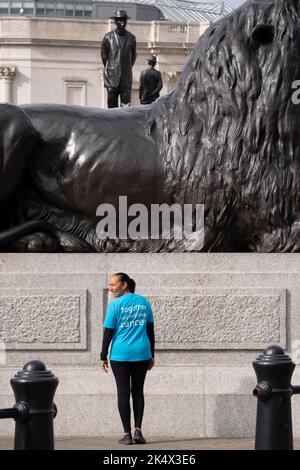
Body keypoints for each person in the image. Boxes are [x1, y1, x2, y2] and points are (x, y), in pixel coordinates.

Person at [100, 272, 155, 445]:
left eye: (113, 284)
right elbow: (150, 331)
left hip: (120, 355)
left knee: (123, 393)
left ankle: (127, 435)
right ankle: (138, 431)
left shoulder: (115, 305)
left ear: (124, 285)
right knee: (138, 392)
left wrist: (103, 356)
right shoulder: (144, 302)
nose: (111, 288)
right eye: (110, 285)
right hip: (142, 354)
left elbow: (108, 332)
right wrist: (152, 355)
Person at [101, 10, 137, 108]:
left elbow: (133, 57)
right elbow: (104, 57)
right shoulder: (108, 37)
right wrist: (112, 68)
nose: (122, 22)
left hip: (126, 77)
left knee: (126, 106)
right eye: (120, 20)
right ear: (115, 22)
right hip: (112, 77)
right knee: (111, 105)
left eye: (124, 20)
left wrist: (126, 67)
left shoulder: (131, 38)